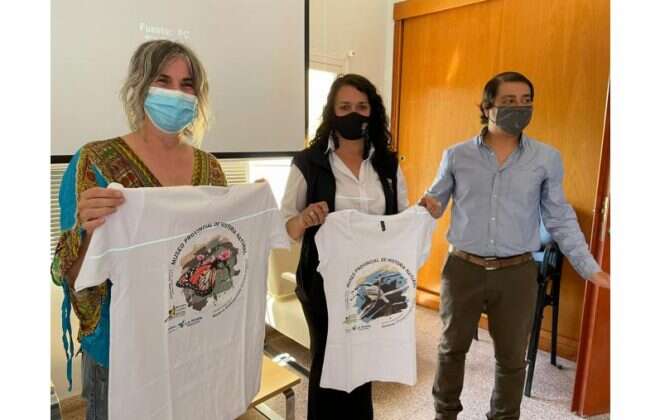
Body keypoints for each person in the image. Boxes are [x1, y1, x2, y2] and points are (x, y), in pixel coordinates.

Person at [51, 39, 227, 420]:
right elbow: (73, 278)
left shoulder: (211, 170)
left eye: (187, 85)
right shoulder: (95, 162)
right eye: (163, 81)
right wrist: (88, 232)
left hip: (190, 345)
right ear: (140, 86)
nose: (176, 93)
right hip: (122, 356)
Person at [419, 71, 610, 420]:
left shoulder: (546, 158)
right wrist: (425, 207)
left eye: (526, 101)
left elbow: (559, 217)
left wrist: (589, 267)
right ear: (486, 107)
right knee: (451, 350)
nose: (519, 108)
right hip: (462, 269)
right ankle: (444, 414)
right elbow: (435, 202)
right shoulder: (457, 155)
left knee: (511, 358)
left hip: (517, 273)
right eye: (509, 101)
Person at [281, 73, 409, 419]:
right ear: (332, 112)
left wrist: (422, 216)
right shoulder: (308, 162)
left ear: (373, 112)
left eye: (362, 107)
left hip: (374, 282)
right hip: (323, 283)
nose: (354, 113)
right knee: (329, 364)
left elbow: (402, 220)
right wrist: (304, 218)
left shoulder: (388, 165)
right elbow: (284, 228)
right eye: (345, 106)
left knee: (363, 363)